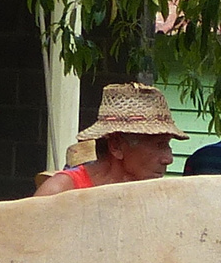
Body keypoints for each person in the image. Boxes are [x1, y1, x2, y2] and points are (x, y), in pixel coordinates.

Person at [34, 82, 189, 196]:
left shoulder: (155, 196)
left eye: (168, 145)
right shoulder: (60, 192)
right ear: (116, 146)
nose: (168, 159)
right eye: (159, 145)